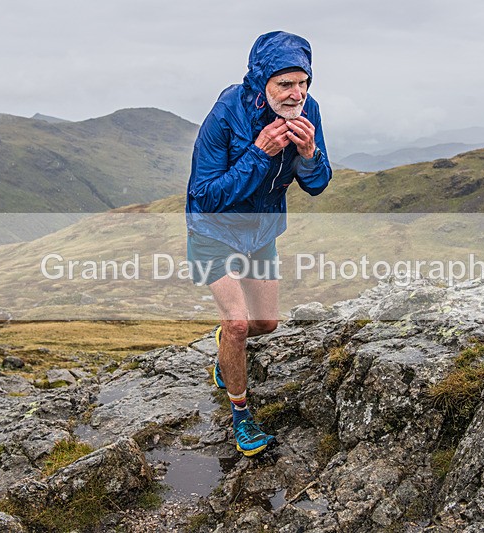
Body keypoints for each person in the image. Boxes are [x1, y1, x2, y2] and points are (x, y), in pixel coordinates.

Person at [185, 31, 332, 456]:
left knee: (265, 325)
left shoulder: (310, 111)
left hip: (261, 233)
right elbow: (205, 195)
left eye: (303, 83)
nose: (296, 94)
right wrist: (259, 153)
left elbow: (318, 186)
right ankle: (241, 415)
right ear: (262, 80)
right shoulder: (226, 114)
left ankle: (225, 353)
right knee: (236, 324)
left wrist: (309, 155)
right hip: (212, 231)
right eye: (285, 84)